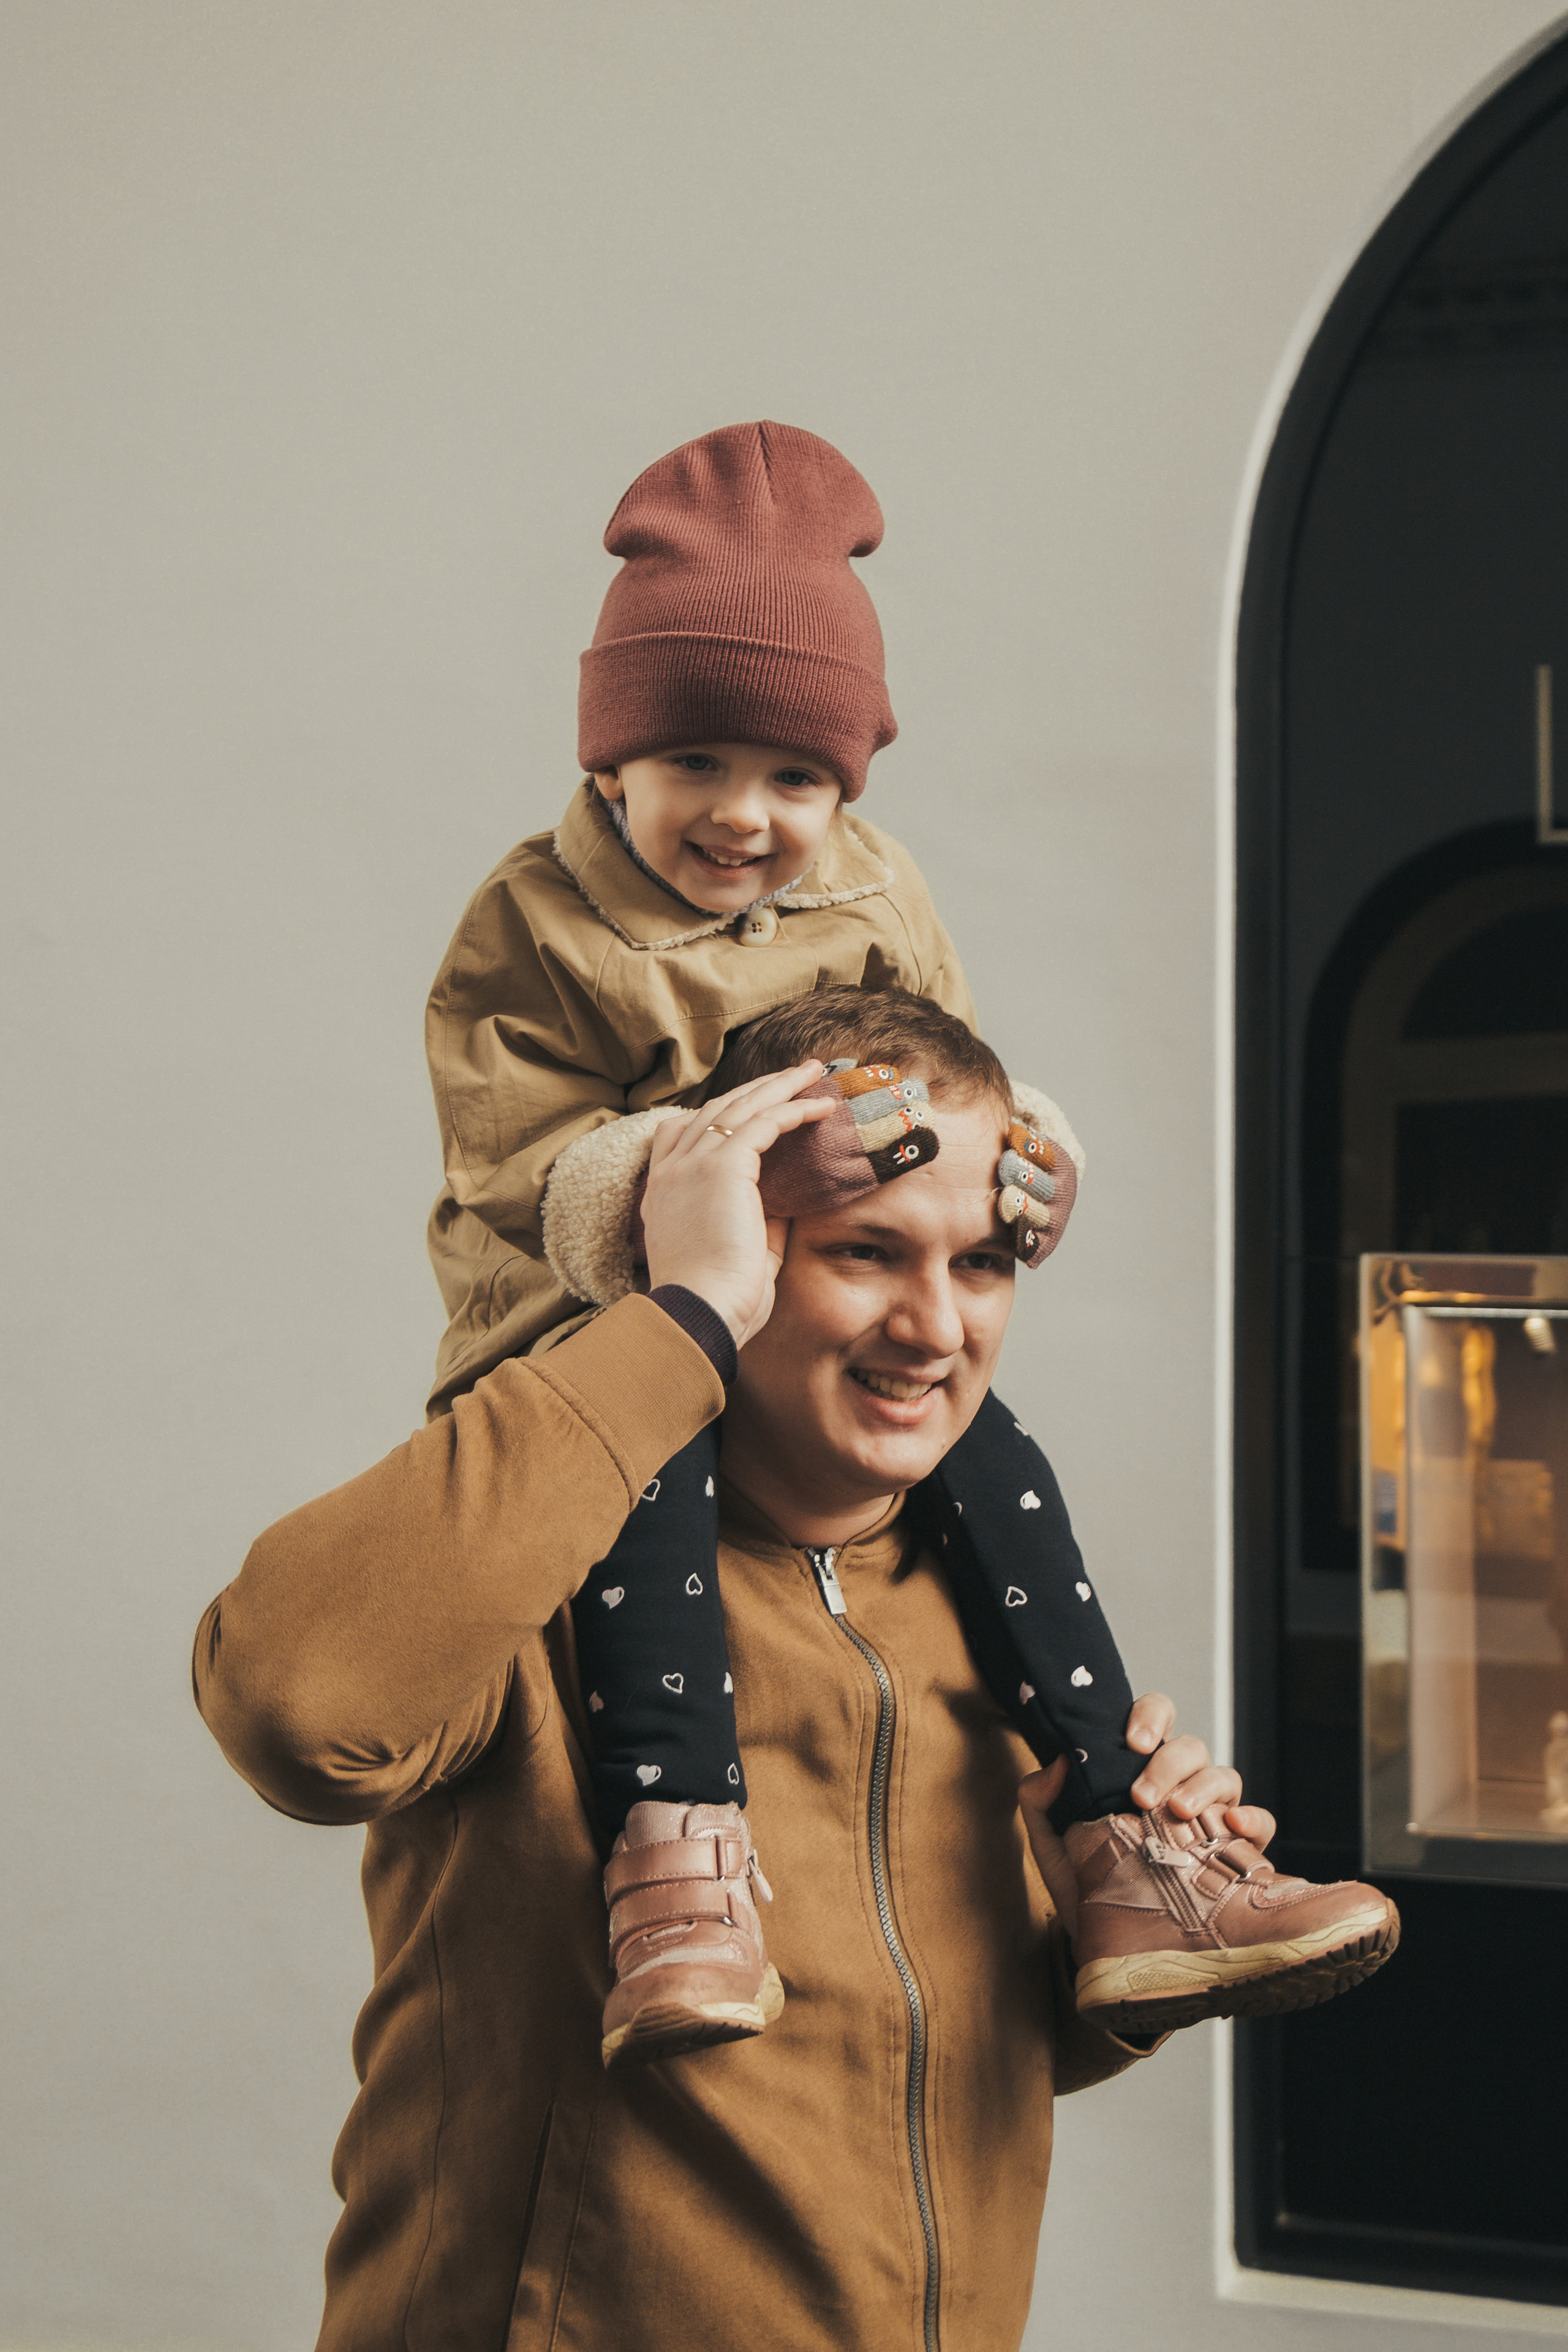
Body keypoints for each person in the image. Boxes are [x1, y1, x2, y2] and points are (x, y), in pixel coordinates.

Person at [195, 993, 1398, 2352]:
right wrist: (676, 1319)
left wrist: (1098, 1951)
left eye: (983, 1264)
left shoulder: (992, 1616)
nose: (936, 1327)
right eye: (868, 1252)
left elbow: (908, 2065)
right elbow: (292, 1705)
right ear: (746, 1251)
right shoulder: (531, 1566)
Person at [415, 420, 1396, 2065]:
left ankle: (1122, 1837)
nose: (746, 817)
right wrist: (715, 1172)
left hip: (812, 1329)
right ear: (610, 764)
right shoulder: (533, 928)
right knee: (652, 1476)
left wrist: (1026, 1159)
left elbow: (954, 1075)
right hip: (596, 1327)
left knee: (992, 1461)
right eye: (699, 765)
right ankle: (679, 1862)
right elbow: (528, 1177)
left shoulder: (877, 889)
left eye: (796, 777)